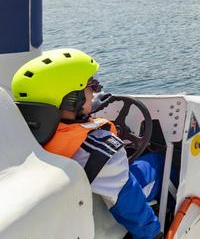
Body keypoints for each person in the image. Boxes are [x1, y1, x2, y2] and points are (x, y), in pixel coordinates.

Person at [12, 48, 163, 239]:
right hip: (105, 216)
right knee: (155, 163)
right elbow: (130, 205)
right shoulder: (101, 149)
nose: (96, 90)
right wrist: (155, 234)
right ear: (72, 99)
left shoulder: (21, 135)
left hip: (69, 211)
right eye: (92, 85)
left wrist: (87, 108)